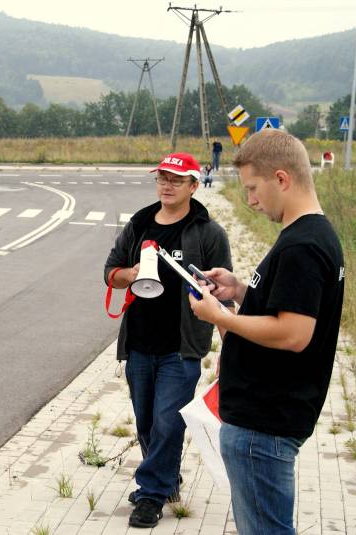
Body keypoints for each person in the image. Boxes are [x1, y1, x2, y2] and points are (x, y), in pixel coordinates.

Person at [188, 129, 345, 535]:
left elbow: (293, 333)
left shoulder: (301, 246)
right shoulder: (310, 236)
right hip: (269, 419)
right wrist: (240, 290)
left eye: (253, 188)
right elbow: (289, 308)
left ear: (282, 179)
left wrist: (219, 316)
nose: (251, 200)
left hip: (264, 424)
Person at [104, 152, 233, 529]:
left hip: (182, 347)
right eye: (162, 177)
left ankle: (151, 495)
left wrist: (229, 345)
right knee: (145, 420)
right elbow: (110, 273)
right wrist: (132, 273)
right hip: (140, 343)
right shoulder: (140, 224)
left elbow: (223, 294)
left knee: (167, 422)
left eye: (177, 180)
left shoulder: (208, 233)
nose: (167, 185)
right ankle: (167, 479)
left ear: (195, 186)